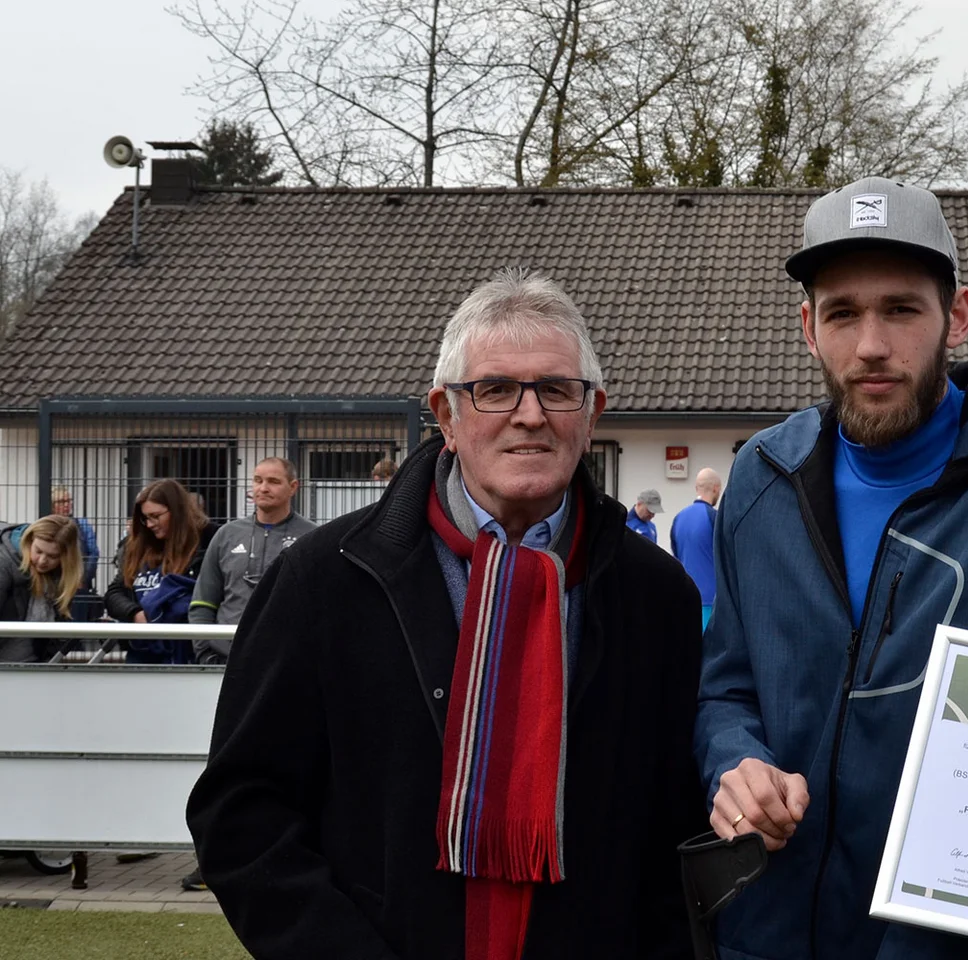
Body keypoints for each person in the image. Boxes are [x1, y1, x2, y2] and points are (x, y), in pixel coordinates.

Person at [186, 269, 708, 960]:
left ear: (592, 413)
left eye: (556, 389)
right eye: (494, 389)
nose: (529, 414)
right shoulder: (323, 581)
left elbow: (675, 827)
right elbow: (242, 814)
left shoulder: (655, 596)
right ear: (446, 415)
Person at [695, 176, 968, 960]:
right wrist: (737, 762)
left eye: (901, 308)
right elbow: (726, 685)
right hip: (768, 933)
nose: (871, 345)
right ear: (807, 328)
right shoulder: (760, 477)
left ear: (957, 316)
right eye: (843, 313)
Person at [188, 457, 320, 663]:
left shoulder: (313, 537)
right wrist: (205, 652)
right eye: (258, 480)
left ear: (293, 487)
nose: (263, 488)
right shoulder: (226, 535)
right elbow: (203, 602)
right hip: (226, 659)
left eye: (273, 482)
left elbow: (324, 606)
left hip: (287, 663)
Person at [105, 479, 214, 664]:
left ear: (176, 511)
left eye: (156, 516)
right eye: (145, 518)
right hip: (142, 652)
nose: (149, 524)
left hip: (187, 652)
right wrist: (134, 613)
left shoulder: (208, 541)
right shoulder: (138, 546)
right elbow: (114, 593)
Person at [0, 515, 84, 662]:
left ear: (65, 558)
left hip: (33, 661)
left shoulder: (61, 577)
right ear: (29, 541)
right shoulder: (3, 564)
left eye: (53, 556)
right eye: (38, 551)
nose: (43, 560)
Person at [670, 469, 721, 626]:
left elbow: (676, 555)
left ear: (696, 488)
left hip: (684, 597)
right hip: (710, 601)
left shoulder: (678, 518)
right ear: (716, 488)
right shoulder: (715, 517)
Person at [49, 486, 100, 590]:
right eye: (62, 501)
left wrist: (83, 578)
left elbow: (93, 553)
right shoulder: (47, 526)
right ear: (52, 506)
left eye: (69, 501)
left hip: (79, 583)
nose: (67, 505)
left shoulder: (82, 525)